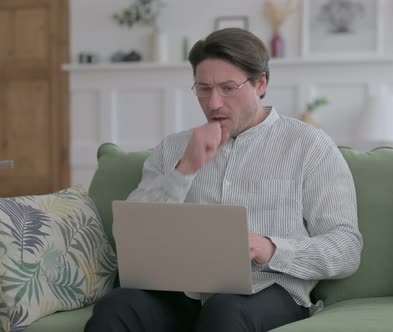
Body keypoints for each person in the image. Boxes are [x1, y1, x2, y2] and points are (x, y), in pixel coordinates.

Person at [85, 28, 363, 332]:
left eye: (228, 88)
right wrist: (185, 170)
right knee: (116, 306)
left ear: (261, 83)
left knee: (226, 311)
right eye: (203, 88)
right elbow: (131, 234)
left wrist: (270, 249)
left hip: (268, 291)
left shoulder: (309, 146)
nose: (213, 102)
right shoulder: (173, 148)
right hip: (181, 293)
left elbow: (346, 248)